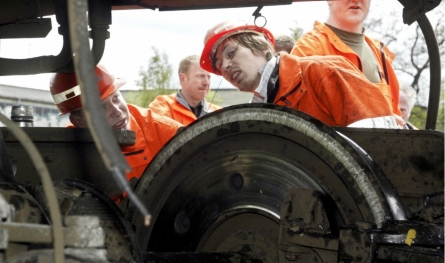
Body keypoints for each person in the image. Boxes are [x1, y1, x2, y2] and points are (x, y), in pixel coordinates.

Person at [200, 21, 402, 128]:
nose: (225, 66)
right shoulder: (259, 113)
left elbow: (384, 148)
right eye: (218, 66)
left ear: (260, 46)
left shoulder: (324, 73)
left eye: (231, 53)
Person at [49, 64, 183, 183]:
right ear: (79, 122)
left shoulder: (168, 135)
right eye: (101, 107)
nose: (117, 111)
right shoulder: (66, 153)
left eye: (116, 98)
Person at [291, 0, 402, 119]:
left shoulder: (380, 54)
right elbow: (302, 121)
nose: (356, 0)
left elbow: (396, 119)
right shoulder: (308, 48)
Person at [149, 55, 221, 125]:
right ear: (183, 79)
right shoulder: (162, 106)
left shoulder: (219, 113)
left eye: (208, 77)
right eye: (201, 76)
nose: (206, 83)